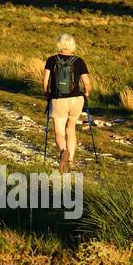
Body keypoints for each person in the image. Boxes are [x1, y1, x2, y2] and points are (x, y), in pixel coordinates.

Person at [42, 34, 91, 174]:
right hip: (76, 99)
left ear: (59, 44)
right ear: (72, 45)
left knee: (59, 130)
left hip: (58, 99)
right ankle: (70, 160)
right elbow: (87, 83)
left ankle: (63, 151)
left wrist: (47, 94)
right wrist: (86, 94)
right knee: (71, 129)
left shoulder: (52, 60)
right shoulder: (79, 61)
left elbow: (45, 80)